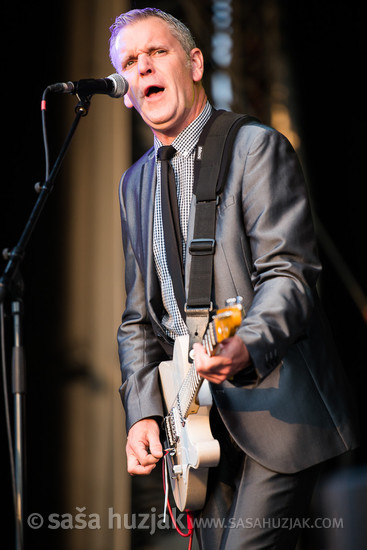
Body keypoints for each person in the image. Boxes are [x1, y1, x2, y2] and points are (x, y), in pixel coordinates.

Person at [109, 7, 358, 549]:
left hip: (277, 408)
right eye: (130, 61)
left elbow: (290, 275)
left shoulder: (254, 148)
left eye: (158, 53)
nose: (144, 66)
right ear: (125, 91)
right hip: (195, 420)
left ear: (194, 63)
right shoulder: (134, 185)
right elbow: (137, 317)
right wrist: (142, 414)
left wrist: (246, 344)